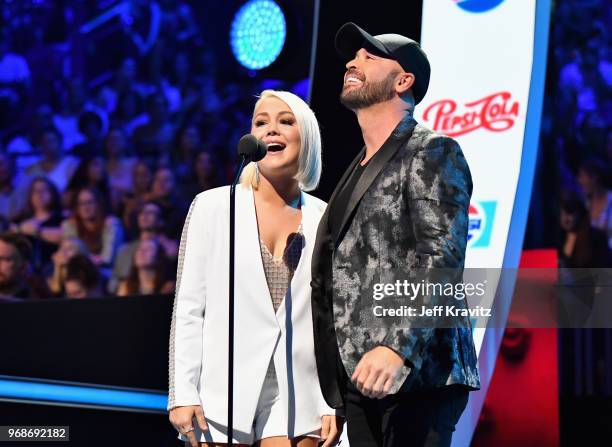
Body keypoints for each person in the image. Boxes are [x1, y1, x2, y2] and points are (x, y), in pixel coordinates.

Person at [310, 23, 480, 447]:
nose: (353, 62)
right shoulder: (356, 167)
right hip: (361, 381)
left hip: (418, 374)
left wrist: (397, 347)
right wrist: (334, 388)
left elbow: (442, 259)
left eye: (370, 56)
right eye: (354, 57)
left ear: (404, 80)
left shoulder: (432, 150)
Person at [168, 90, 342, 447]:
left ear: (306, 136)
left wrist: (330, 399)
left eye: (285, 121)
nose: (271, 130)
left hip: (299, 392)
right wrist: (183, 392)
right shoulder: (213, 207)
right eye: (261, 122)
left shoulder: (325, 217)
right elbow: (188, 308)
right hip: (222, 391)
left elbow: (332, 318)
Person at [109, 200, 177, 294]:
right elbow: (113, 285)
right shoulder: (125, 251)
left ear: (161, 221)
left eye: (151, 213)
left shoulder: (170, 248)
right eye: (142, 212)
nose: (145, 215)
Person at [61, 187, 123, 269]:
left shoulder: (111, 224)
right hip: (79, 270)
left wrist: (85, 259)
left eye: (89, 202)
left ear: (98, 204)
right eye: (81, 203)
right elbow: (68, 255)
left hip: (107, 272)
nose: (85, 207)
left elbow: (107, 258)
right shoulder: (70, 225)